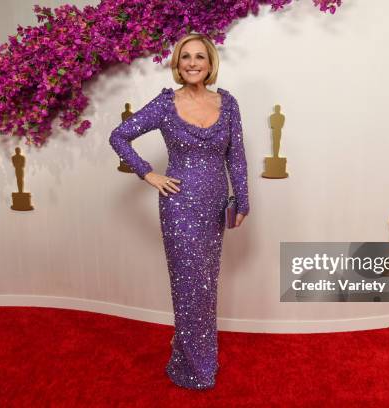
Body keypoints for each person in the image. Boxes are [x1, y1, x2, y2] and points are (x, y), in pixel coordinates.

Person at [109, 33, 250, 390]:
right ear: (177, 63)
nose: (191, 63)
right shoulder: (165, 104)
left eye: (199, 57)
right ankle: (193, 364)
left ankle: (193, 347)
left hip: (215, 204)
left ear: (210, 63)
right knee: (188, 284)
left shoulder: (228, 104)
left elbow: (236, 155)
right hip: (178, 206)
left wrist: (243, 200)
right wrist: (148, 172)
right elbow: (119, 135)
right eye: (185, 56)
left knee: (206, 282)